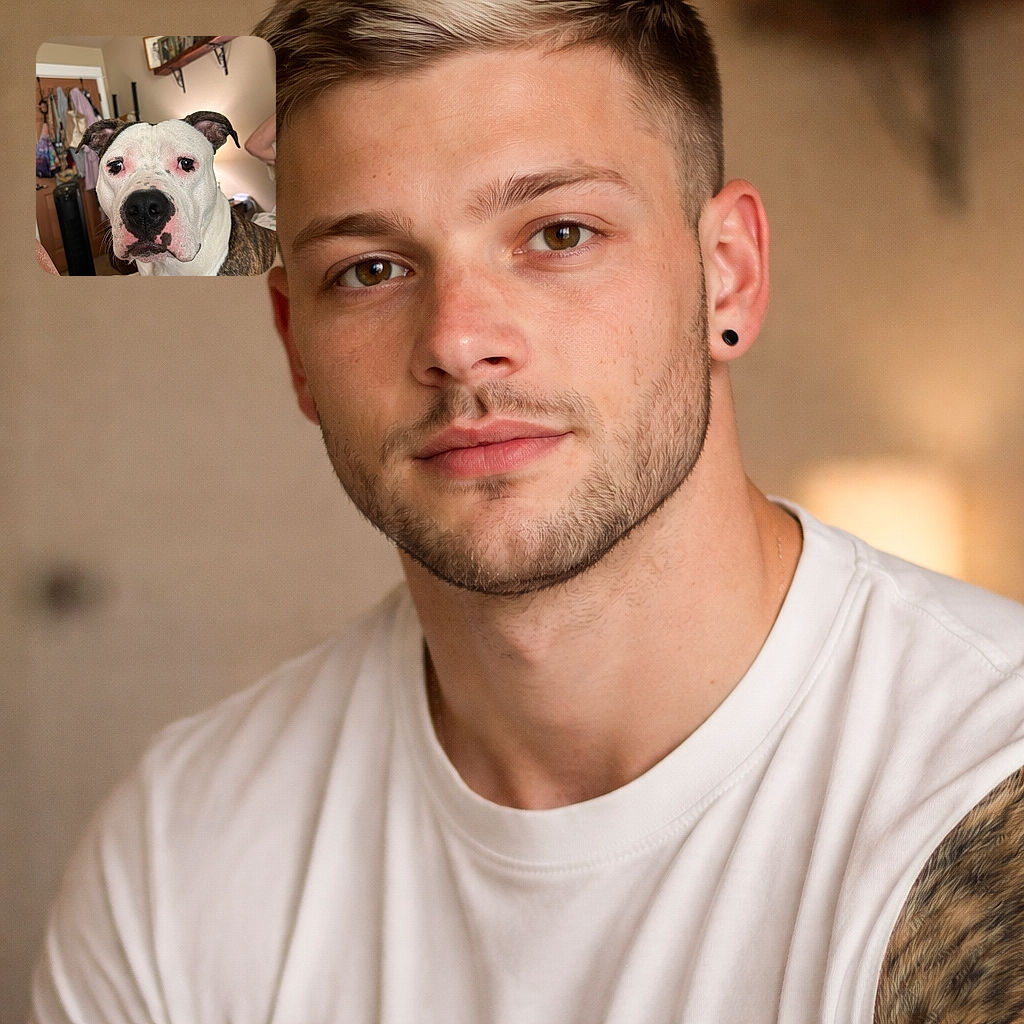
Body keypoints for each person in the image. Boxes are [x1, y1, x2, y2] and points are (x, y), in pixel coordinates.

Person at [30, 2, 1024, 1022]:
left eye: (558, 233)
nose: (459, 339)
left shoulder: (982, 783)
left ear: (727, 271)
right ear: (295, 343)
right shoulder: (176, 854)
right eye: (368, 269)